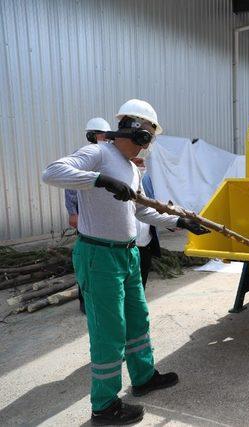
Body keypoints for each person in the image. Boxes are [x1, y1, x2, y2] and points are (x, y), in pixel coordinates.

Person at [42, 99, 210, 425]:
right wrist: (98, 180)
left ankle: (144, 377)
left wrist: (179, 223)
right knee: (109, 331)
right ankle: (104, 405)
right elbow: (51, 172)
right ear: (132, 130)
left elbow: (137, 210)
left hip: (128, 254)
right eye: (146, 135)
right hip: (99, 255)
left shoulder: (132, 167)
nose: (147, 145)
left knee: (137, 320)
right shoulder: (99, 154)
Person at [66, 117, 112, 314]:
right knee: (87, 261)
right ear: (92, 135)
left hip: (101, 217)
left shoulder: (108, 155)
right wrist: (73, 212)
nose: (107, 139)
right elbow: (69, 187)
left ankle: (102, 298)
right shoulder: (83, 156)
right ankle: (85, 301)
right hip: (85, 215)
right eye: (104, 135)